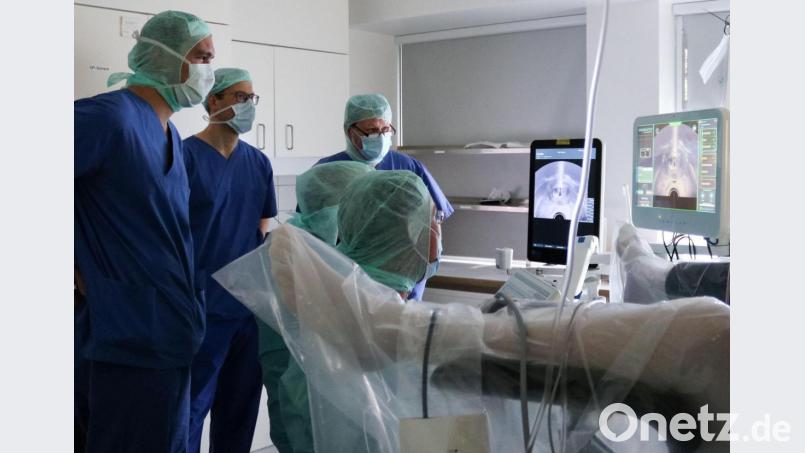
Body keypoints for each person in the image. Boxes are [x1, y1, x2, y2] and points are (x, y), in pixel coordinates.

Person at [214, 171, 729, 452]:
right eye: (432, 220)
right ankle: (650, 276)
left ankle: (651, 276)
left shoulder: (354, 293)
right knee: (711, 331)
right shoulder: (352, 305)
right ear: (419, 231)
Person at [74, 10, 215, 453]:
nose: (208, 69)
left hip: (172, 331)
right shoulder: (108, 118)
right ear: (164, 56)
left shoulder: (170, 134)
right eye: (202, 56)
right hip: (125, 334)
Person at [183, 67, 277, 453]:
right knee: (188, 412)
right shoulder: (183, 156)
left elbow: (265, 229)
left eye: (251, 99)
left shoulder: (258, 163)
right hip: (200, 306)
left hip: (248, 309)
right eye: (240, 97)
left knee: (239, 413)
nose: (248, 106)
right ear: (213, 101)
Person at [258, 161, 373, 453]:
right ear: (336, 208)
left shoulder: (326, 247)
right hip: (303, 402)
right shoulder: (295, 253)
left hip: (316, 403)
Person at [316, 94, 452, 301]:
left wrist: (425, 262)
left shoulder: (409, 167)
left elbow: (435, 218)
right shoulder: (326, 173)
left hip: (406, 285)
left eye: (385, 129)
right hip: (350, 287)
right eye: (371, 131)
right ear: (349, 131)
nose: (380, 136)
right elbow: (311, 235)